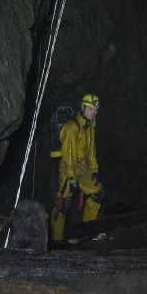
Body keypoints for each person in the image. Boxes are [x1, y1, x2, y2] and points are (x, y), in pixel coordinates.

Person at [50, 93, 104, 243]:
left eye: (95, 110)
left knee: (98, 193)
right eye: (91, 109)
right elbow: (69, 156)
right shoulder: (71, 127)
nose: (94, 113)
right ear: (82, 107)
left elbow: (91, 151)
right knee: (63, 205)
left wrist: (94, 170)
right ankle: (57, 240)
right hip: (69, 172)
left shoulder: (90, 126)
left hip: (84, 170)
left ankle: (88, 230)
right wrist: (73, 179)